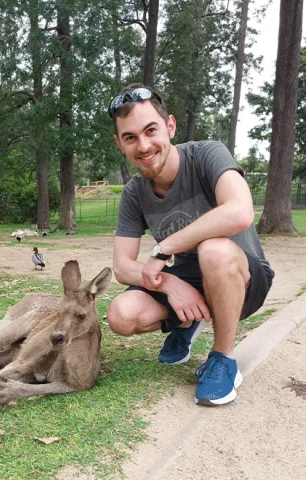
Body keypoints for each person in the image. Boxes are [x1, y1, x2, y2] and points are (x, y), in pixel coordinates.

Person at [106, 84, 275, 406]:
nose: (144, 145)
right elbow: (122, 266)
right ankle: (188, 319)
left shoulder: (206, 154)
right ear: (120, 144)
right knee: (121, 315)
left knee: (214, 250)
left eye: (150, 130)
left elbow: (240, 212)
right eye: (130, 137)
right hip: (187, 278)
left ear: (170, 126)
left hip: (242, 276)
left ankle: (223, 358)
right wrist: (170, 284)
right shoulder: (133, 193)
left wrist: (164, 247)